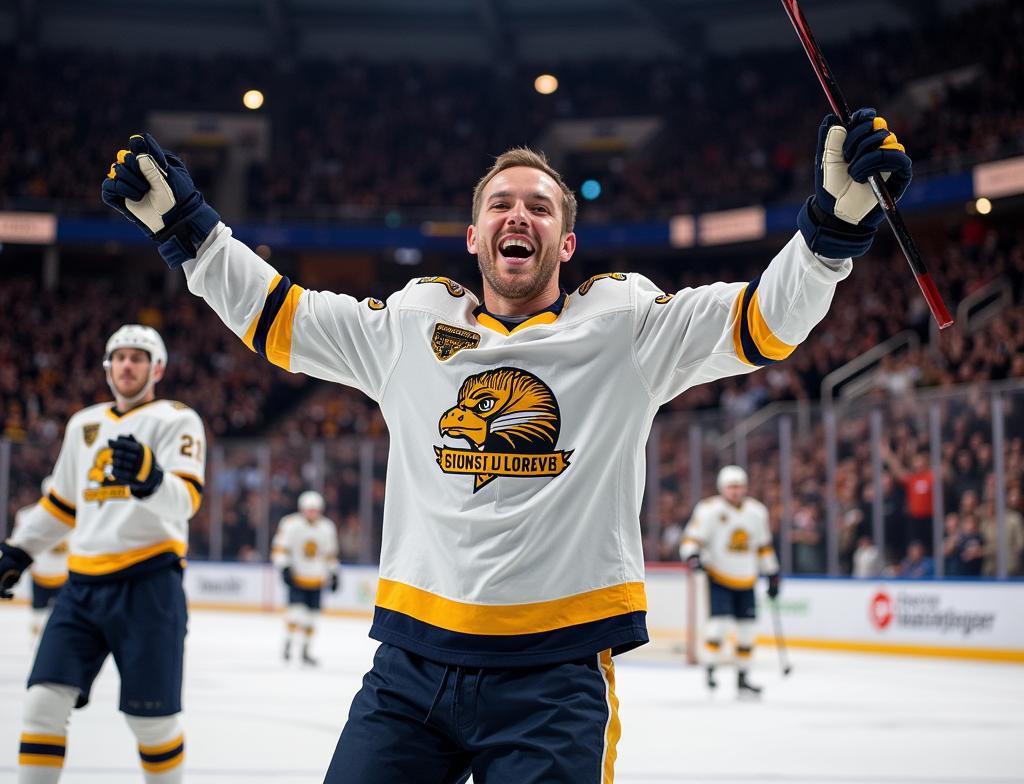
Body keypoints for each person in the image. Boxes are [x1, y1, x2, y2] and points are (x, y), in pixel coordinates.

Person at [99, 106, 911, 782]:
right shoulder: (412, 326)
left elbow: (764, 321)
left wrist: (831, 232)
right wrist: (189, 230)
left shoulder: (627, 327)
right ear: (473, 236)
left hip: (554, 681)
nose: (517, 214)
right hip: (408, 673)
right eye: (499, 203)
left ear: (564, 244)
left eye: (540, 206)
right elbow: (282, 317)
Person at [0, 325, 205, 784]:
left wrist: (151, 477)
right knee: (41, 705)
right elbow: (61, 504)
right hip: (81, 588)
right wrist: (18, 551)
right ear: (107, 367)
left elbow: (187, 501)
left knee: (151, 724)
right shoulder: (83, 424)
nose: (127, 365)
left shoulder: (178, 419)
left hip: (150, 585)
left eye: (137, 357)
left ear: (159, 369)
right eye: (119, 357)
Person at [680, 466, 779, 696]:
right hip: (720, 576)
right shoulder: (709, 510)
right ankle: (711, 669)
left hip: (747, 578)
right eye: (731, 487)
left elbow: (763, 546)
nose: (735, 491)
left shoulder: (757, 512)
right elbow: (692, 539)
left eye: (739, 486)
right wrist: (693, 556)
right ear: (722, 488)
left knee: (747, 631)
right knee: (718, 627)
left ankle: (743, 677)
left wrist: (773, 572)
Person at [272, 490, 340, 666]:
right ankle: (288, 643)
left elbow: (330, 554)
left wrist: (334, 573)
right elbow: (280, 548)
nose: (312, 513)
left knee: (312, 617)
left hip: (317, 579)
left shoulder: (327, 527)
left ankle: (305, 650)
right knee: (295, 614)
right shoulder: (290, 524)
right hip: (297, 577)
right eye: (309, 509)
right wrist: (284, 567)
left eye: (315, 509)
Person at [12, 478, 69, 639]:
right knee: (37, 622)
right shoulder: (27, 516)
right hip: (40, 577)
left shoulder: (78, 516)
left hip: (64, 578)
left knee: (64, 623)